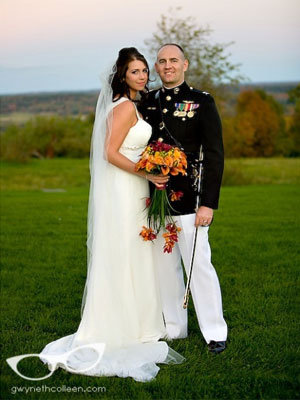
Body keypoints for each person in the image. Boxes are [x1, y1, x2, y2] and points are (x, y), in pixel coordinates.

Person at [39, 47, 184, 382]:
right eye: (136, 71)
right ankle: (122, 325)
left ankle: (141, 322)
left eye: (145, 70)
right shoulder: (124, 108)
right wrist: (148, 173)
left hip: (131, 188)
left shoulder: (128, 105)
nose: (143, 76)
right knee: (125, 251)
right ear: (122, 76)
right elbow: (109, 153)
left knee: (134, 251)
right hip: (124, 188)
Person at [139, 43, 228, 354]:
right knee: (165, 267)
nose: (167, 66)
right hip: (156, 197)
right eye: (162, 61)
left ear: (185, 64)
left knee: (198, 263)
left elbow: (215, 155)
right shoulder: (146, 101)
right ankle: (174, 328)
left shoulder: (201, 101)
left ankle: (215, 332)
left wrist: (208, 203)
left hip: (190, 198)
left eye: (173, 60)